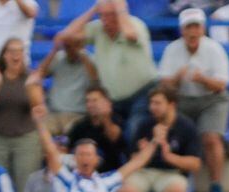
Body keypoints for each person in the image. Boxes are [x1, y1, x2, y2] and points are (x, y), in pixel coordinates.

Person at [118, 85, 202, 192]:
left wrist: (169, 157)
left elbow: (195, 164)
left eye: (157, 103)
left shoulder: (186, 126)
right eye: (151, 103)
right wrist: (144, 152)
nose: (152, 107)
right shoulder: (144, 125)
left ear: (171, 104)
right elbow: (133, 158)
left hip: (171, 173)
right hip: (144, 172)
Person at [158, 8, 229, 192]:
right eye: (188, 27)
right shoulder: (172, 49)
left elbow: (221, 85)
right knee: (173, 135)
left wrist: (202, 79)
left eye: (196, 27)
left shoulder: (214, 49)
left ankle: (216, 185)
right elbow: (164, 84)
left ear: (202, 29)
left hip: (211, 99)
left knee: (211, 138)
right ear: (182, 30)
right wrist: (177, 78)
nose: (192, 32)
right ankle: (176, 181)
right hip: (181, 100)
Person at [61, 0, 157, 140]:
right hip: (113, 98)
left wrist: (121, 8)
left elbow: (130, 34)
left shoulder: (135, 24)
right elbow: (66, 37)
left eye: (111, 15)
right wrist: (94, 9)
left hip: (142, 93)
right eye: (102, 15)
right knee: (107, 135)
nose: (106, 20)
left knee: (135, 128)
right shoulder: (98, 28)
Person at [0, 37, 44, 192]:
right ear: (4, 55)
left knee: (25, 188)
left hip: (26, 139)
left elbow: (39, 106)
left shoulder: (30, 77)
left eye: (20, 51)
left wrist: (30, 86)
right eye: (11, 51)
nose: (16, 55)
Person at [32, 32, 96, 136]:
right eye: (67, 46)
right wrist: (54, 51)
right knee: (36, 133)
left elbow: (95, 81)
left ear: (81, 46)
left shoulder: (90, 61)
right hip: (54, 114)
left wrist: (83, 56)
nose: (70, 50)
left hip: (78, 115)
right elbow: (38, 75)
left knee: (74, 133)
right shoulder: (58, 57)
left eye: (74, 46)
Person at [67, 85, 128, 170]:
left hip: (110, 171)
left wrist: (105, 117)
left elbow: (115, 138)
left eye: (95, 100)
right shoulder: (81, 125)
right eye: (88, 101)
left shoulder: (115, 120)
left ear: (107, 102)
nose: (90, 104)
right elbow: (67, 145)